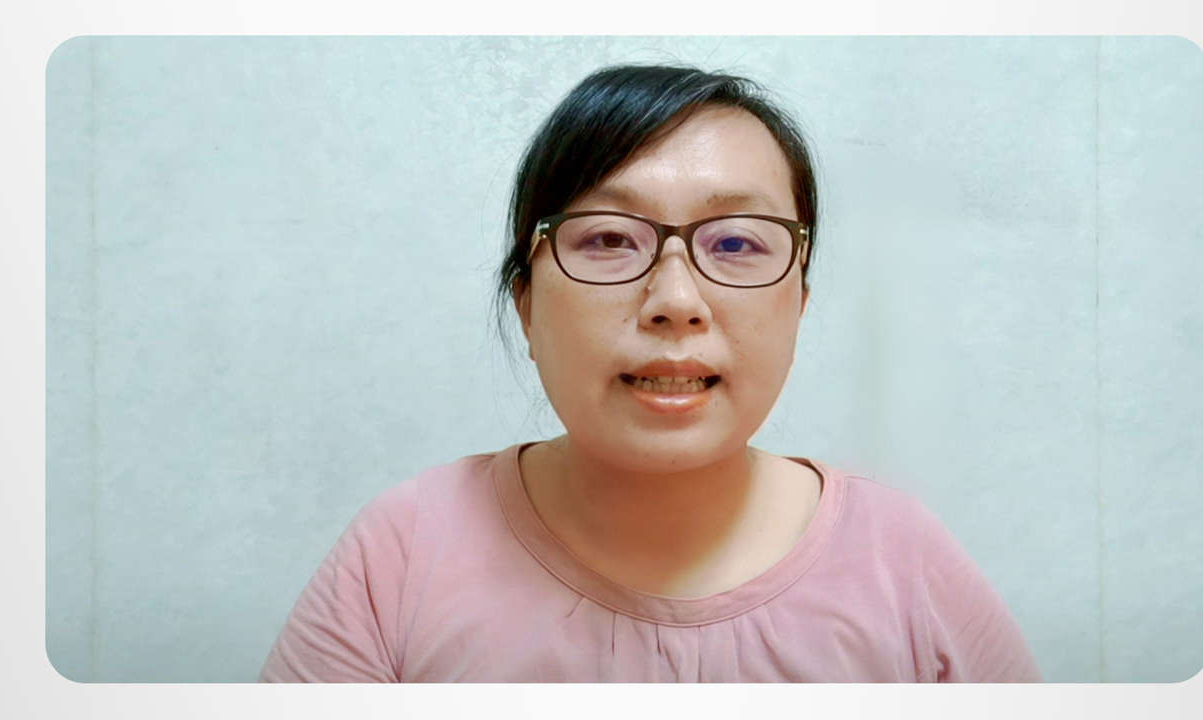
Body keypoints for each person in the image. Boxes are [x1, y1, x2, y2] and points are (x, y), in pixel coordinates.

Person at [258, 64, 1041, 683]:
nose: (676, 302)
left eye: (735, 243)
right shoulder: (401, 556)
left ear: (800, 301)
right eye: (608, 239)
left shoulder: (904, 564)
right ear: (526, 303)